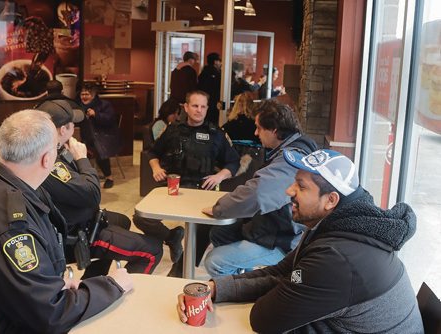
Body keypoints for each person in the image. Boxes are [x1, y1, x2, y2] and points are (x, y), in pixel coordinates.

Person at [178, 149, 423, 333]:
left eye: (301, 186)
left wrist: (291, 287)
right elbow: (284, 272)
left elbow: (264, 319)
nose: (289, 191)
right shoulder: (334, 227)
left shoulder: (337, 257)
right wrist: (216, 288)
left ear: (331, 200)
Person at [0, 109, 133, 333]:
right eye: (57, 148)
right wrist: (112, 285)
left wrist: (52, 283)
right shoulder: (9, 225)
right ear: (47, 158)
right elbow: (50, 315)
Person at [36, 100, 163, 277]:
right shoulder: (50, 163)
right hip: (75, 234)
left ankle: (94, 282)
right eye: (72, 123)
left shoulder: (48, 149)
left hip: (77, 220)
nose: (75, 126)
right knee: (153, 251)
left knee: (122, 221)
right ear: (61, 130)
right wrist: (82, 158)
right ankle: (114, 291)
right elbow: (92, 194)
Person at [202, 100, 318, 276]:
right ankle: (246, 281)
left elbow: (258, 192)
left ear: (274, 131)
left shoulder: (290, 159)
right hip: (277, 227)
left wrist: (219, 209)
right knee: (220, 233)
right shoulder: (295, 148)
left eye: (259, 128)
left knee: (214, 261)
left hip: (286, 241)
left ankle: (237, 292)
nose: (255, 133)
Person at [133, 90, 240, 276]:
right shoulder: (173, 129)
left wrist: (219, 176)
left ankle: (178, 272)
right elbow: (152, 153)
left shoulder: (216, 134)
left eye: (203, 106)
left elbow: (233, 162)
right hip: (173, 187)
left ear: (207, 108)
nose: (199, 110)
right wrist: (156, 168)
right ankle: (172, 237)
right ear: (186, 107)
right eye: (195, 106)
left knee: (203, 230)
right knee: (142, 217)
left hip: (202, 190)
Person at [77, 83, 120, 189]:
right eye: (82, 94)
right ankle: (83, 178)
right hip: (85, 137)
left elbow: (110, 120)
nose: (84, 97)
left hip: (104, 136)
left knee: (99, 148)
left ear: (94, 95)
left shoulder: (104, 105)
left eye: (87, 94)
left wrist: (96, 115)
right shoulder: (78, 106)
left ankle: (109, 177)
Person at [198, 52, 221, 125]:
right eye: (219, 61)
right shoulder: (216, 74)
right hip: (213, 104)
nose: (220, 63)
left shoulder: (203, 72)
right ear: (215, 62)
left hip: (203, 101)